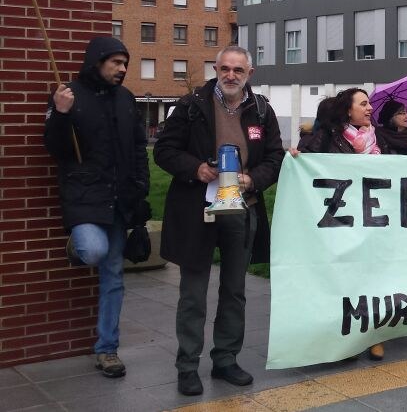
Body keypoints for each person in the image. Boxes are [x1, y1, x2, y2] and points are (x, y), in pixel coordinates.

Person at [154, 46, 284, 396]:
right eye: (225, 68)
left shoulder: (261, 110)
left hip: (243, 207)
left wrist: (252, 178)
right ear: (216, 68)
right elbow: (163, 150)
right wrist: (195, 168)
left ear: (249, 74)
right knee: (193, 293)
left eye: (237, 70)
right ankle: (187, 365)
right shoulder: (191, 105)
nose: (230, 75)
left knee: (235, 291)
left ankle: (226, 358)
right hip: (199, 208)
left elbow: (275, 156)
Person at [44, 37, 149, 379]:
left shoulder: (127, 99)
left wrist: (141, 188)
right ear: (97, 61)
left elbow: (138, 147)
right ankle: (76, 243)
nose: (122, 69)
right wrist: (60, 114)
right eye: (116, 62)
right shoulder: (69, 95)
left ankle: (107, 350)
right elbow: (56, 149)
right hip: (85, 196)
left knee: (113, 275)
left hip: (120, 201)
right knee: (93, 251)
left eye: (125, 64)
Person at [295, 87, 392, 359]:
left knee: (374, 276)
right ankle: (345, 336)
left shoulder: (378, 136)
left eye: (369, 103)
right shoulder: (329, 136)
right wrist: (296, 157)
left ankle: (374, 334)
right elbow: (306, 155)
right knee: (346, 277)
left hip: (373, 219)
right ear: (348, 110)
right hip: (342, 220)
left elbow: (400, 163)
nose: (370, 108)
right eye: (363, 104)